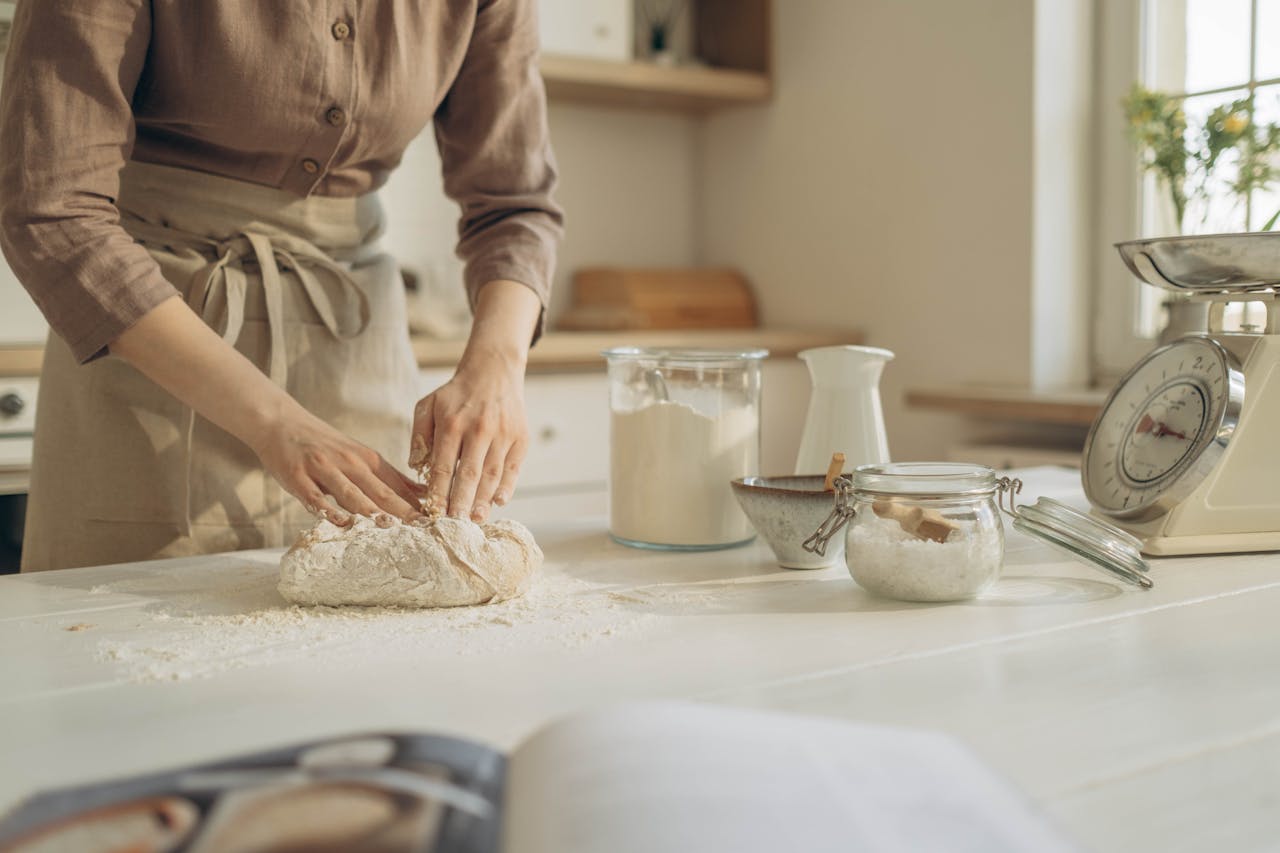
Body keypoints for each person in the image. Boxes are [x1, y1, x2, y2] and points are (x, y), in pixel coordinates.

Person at [0, 1, 563, 572]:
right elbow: (54, 210)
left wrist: (497, 367)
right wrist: (274, 424)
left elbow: (515, 207)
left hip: (350, 354)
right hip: (152, 353)